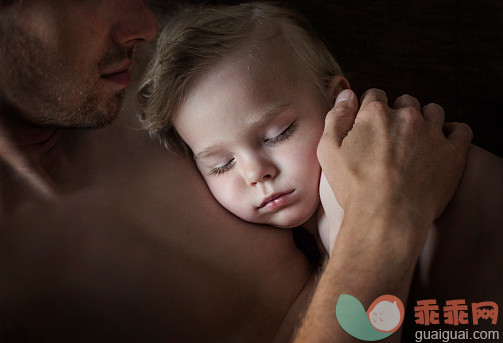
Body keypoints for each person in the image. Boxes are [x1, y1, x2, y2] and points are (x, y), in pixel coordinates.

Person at [0, 1, 486, 343]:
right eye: (220, 164)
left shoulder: (159, 74)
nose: (147, 23)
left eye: (275, 134)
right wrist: (385, 217)